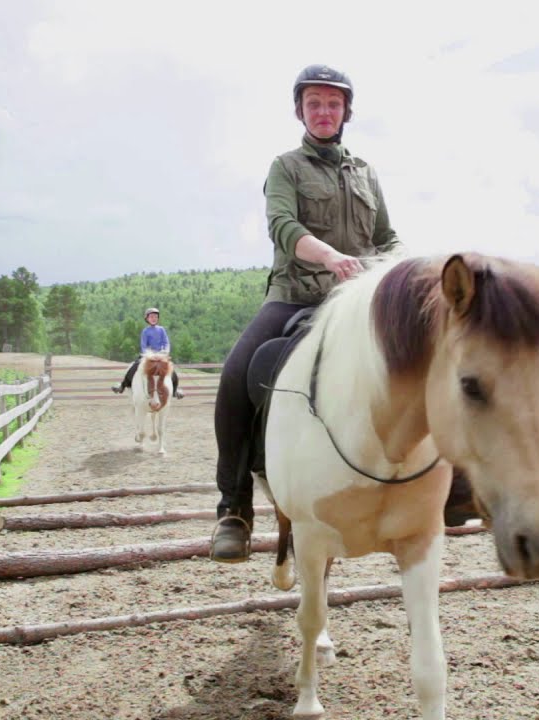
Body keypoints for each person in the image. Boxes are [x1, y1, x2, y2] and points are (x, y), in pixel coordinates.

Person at [208, 64, 477, 563]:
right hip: (295, 294)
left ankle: (459, 484)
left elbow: (386, 237)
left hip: (360, 299)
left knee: (436, 356)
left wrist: (408, 270)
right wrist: (330, 257)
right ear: (301, 111)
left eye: (333, 103)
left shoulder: (365, 173)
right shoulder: (284, 167)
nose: (324, 111)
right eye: (314, 103)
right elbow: (283, 226)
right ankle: (234, 509)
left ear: (346, 111)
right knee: (234, 375)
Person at [112, 307, 184, 399]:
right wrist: (149, 355)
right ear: (147, 319)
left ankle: (175, 390)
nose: (154, 318)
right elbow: (143, 345)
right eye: (151, 317)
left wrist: (165, 352)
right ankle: (122, 385)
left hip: (161, 354)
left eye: (155, 317)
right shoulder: (145, 331)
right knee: (134, 367)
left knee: (172, 372)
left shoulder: (161, 330)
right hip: (148, 355)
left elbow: (166, 342)